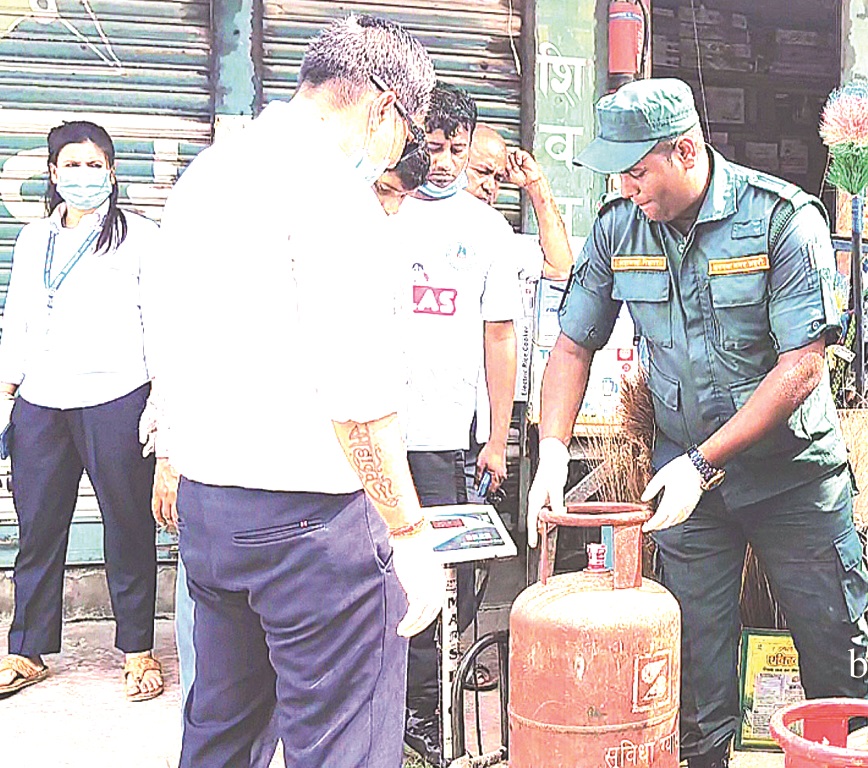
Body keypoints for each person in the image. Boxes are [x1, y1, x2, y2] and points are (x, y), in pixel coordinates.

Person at [527, 77, 868, 768]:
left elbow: (802, 366)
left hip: (792, 483)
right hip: (688, 492)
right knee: (691, 672)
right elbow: (572, 343)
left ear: (685, 150)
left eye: (636, 170)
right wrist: (554, 451)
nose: (626, 188)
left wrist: (705, 461)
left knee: (839, 659)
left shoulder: (780, 219)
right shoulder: (619, 228)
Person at [148, 15, 444, 768]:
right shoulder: (330, 196)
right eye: (403, 134)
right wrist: (409, 537)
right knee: (342, 741)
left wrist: (174, 455)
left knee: (222, 732)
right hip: (312, 529)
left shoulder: (208, 174)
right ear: (382, 106)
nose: (394, 156)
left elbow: (166, 333)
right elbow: (359, 401)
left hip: (212, 512)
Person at [0, 120, 162, 702]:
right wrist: (7, 393)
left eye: (95, 165)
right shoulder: (33, 239)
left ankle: (137, 650)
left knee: (127, 525)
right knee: (38, 528)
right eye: (71, 164)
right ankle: (27, 650)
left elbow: (161, 325)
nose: (83, 176)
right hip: (42, 402)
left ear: (113, 172)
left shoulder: (141, 237)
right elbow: (19, 317)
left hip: (116, 397)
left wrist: (159, 404)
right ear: (51, 173)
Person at [393, 82, 521, 767]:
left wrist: (496, 437)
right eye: (431, 146)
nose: (441, 162)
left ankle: (421, 717)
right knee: (361, 570)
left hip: (445, 438)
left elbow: (499, 339)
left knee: (438, 584)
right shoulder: (378, 210)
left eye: (455, 149)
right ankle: (371, 705)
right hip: (367, 433)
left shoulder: (486, 230)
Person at [466, 123, 572, 279]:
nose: (490, 186)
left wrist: (535, 185)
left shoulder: (497, 238)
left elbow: (561, 268)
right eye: (482, 172)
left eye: (498, 178)